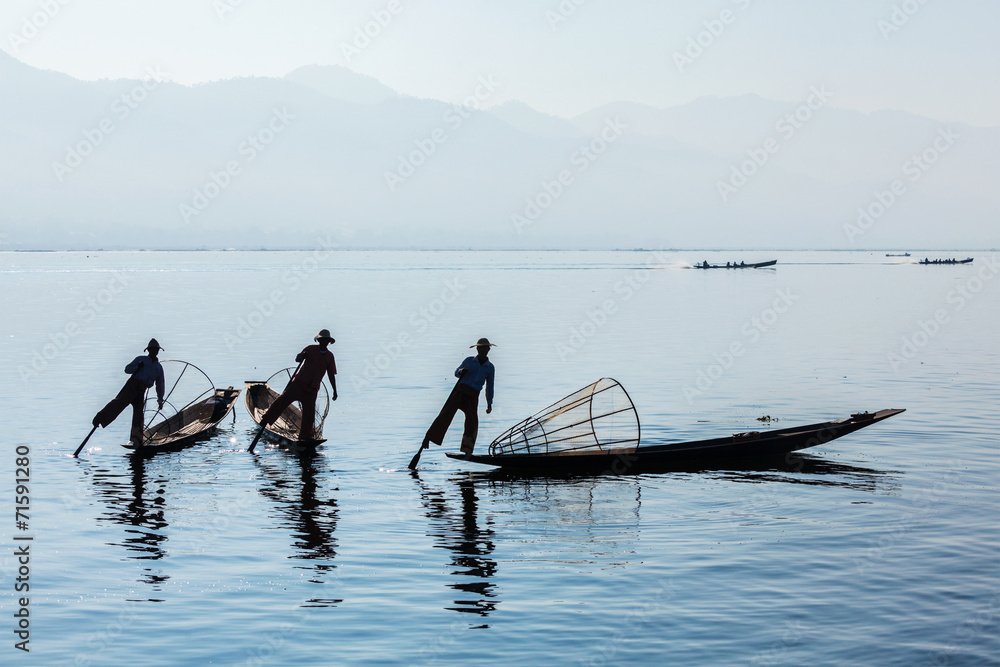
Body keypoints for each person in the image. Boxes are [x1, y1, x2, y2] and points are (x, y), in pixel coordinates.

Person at [259, 329, 338, 441]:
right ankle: (266, 420)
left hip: (312, 389)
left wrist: (334, 390)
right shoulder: (310, 349)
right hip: (299, 384)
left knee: (309, 415)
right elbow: (298, 359)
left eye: (325, 340)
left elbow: (331, 374)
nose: (323, 342)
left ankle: (305, 436)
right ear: (319, 341)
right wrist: (302, 356)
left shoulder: (330, 356)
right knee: (282, 401)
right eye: (321, 340)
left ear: (328, 342)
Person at [422, 338, 496, 455]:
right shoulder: (469, 361)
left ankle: (467, 450)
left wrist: (489, 403)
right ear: (477, 349)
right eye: (480, 348)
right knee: (445, 414)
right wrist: (461, 372)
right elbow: (456, 372)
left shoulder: (490, 367)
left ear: (488, 349)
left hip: (473, 395)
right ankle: (428, 438)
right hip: (460, 391)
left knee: (472, 422)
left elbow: (490, 386)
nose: (482, 350)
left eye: (484, 348)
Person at [93, 338, 165, 446]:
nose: (154, 351)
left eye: (155, 350)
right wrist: (137, 367)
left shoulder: (158, 368)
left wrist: (160, 400)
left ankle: (136, 439)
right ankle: (100, 418)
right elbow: (127, 369)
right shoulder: (141, 359)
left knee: (139, 414)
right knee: (120, 402)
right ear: (149, 350)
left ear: (158, 351)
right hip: (132, 385)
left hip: (142, 390)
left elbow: (160, 385)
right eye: (152, 349)